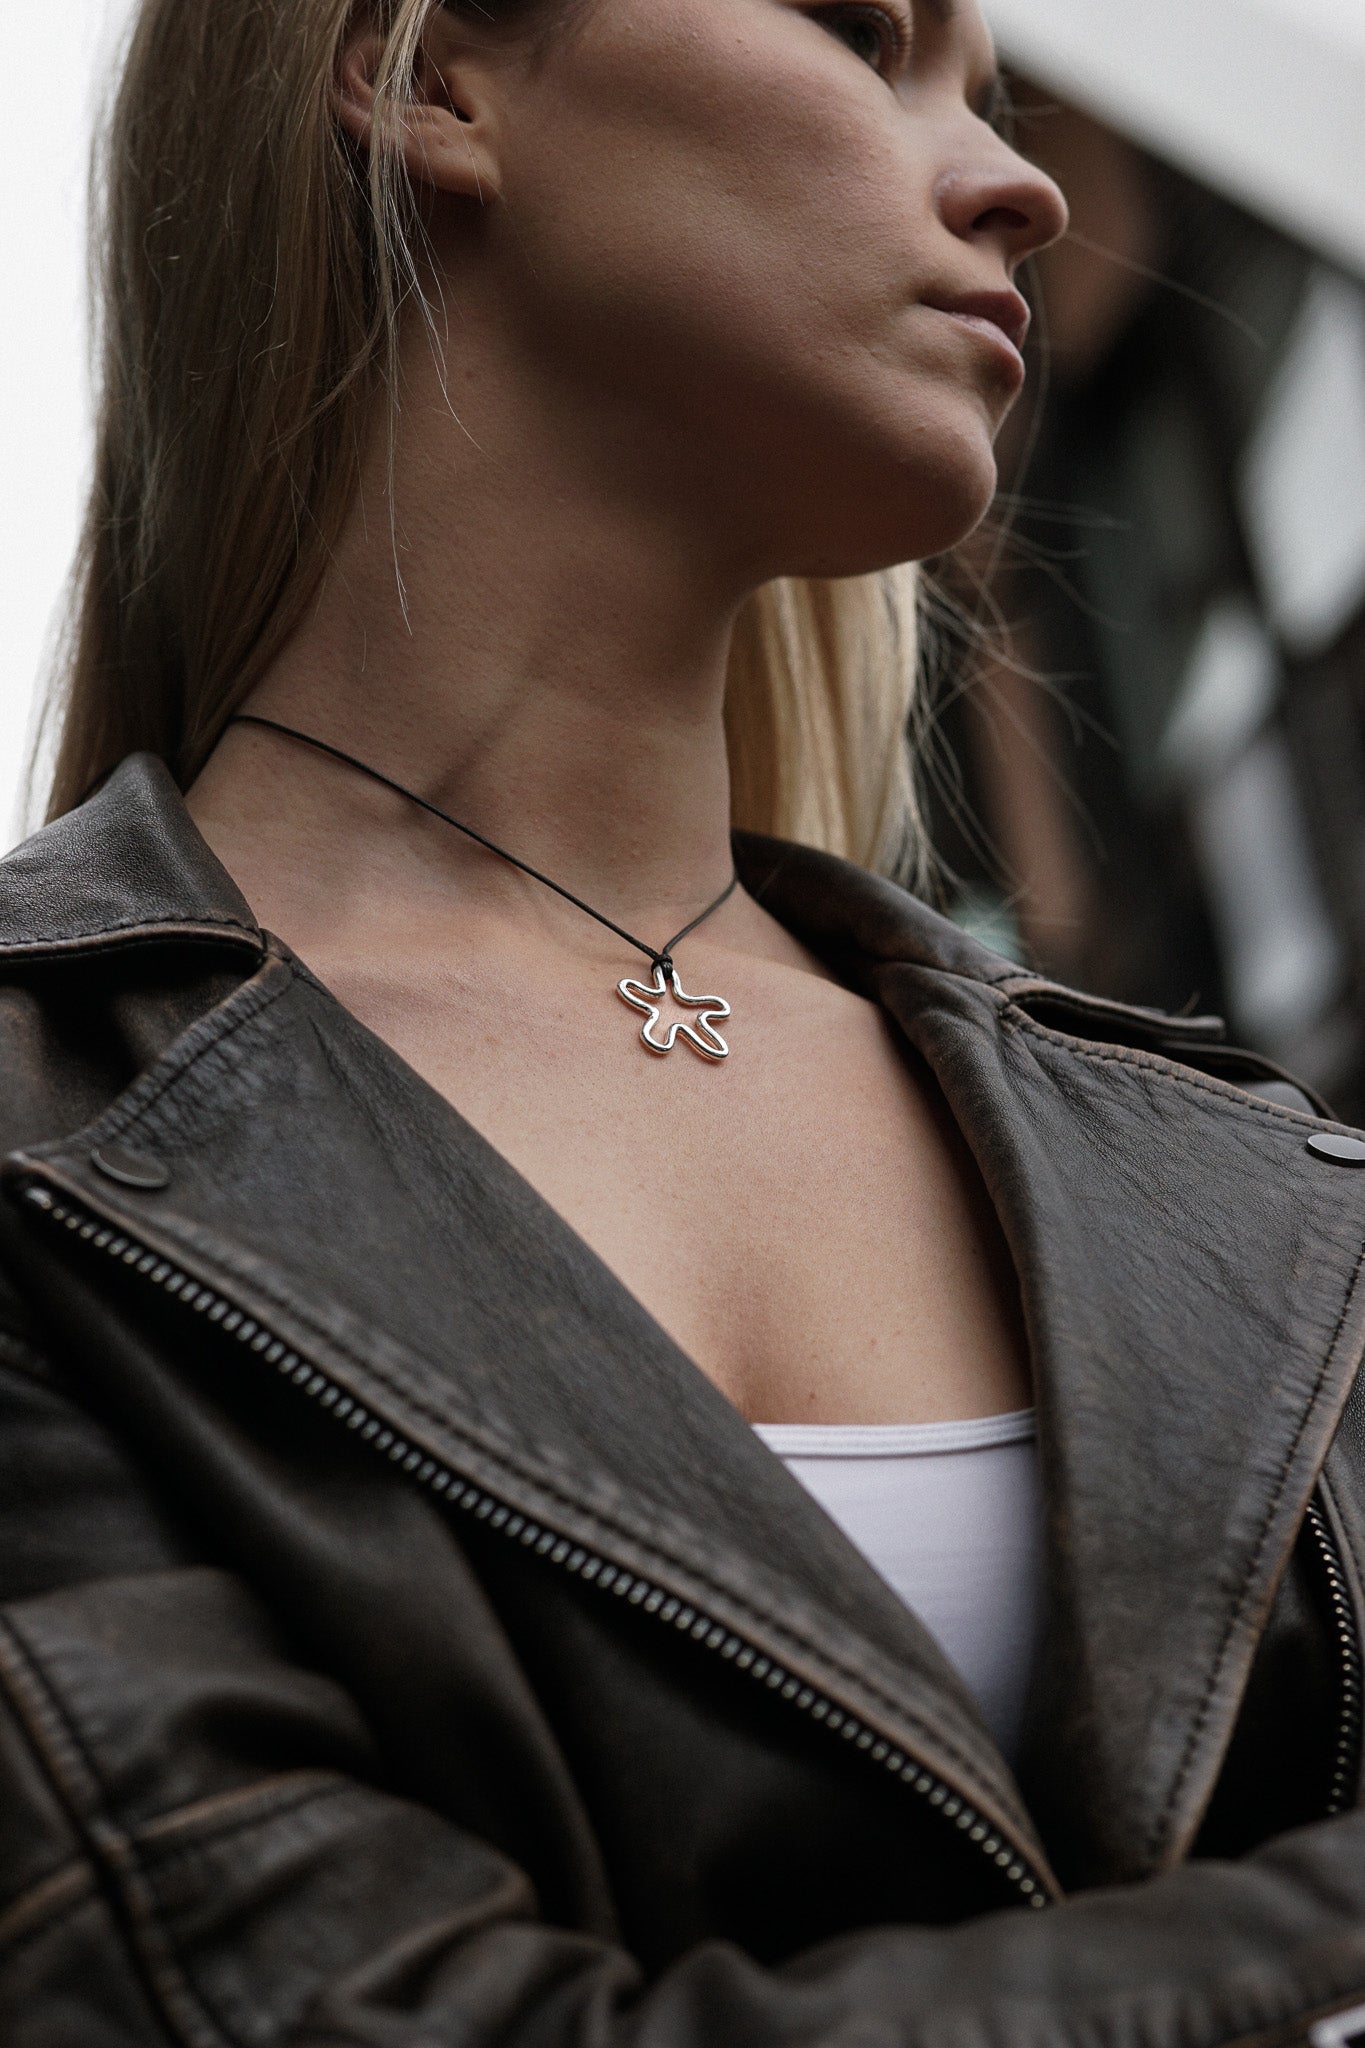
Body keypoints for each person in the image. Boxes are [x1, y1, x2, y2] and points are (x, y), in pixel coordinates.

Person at [3, 0, 1365, 2040]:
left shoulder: (1256, 1181)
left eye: (987, 91)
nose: (1020, 182)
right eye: (862, 35)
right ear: (427, 76)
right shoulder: (43, 1127)